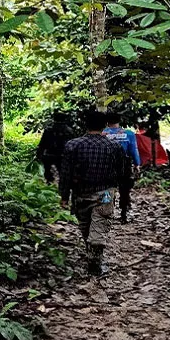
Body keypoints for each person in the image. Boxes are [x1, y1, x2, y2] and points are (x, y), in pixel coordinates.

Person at [59, 110, 125, 275]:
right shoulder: (114, 146)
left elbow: (65, 173)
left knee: (85, 226)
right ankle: (95, 260)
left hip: (81, 193)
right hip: (105, 193)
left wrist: (64, 196)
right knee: (99, 225)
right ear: (104, 126)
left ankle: (94, 259)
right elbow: (121, 172)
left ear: (85, 124)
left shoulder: (73, 145)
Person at [102, 112, 141, 223]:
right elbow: (134, 150)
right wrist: (137, 164)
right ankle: (124, 214)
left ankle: (108, 213)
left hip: (107, 165)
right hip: (124, 165)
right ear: (120, 121)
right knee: (124, 190)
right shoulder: (128, 133)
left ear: (107, 121)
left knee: (107, 189)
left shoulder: (102, 133)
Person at [37, 112, 77, 184]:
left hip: (50, 155)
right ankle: (62, 186)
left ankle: (49, 183)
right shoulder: (69, 130)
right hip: (63, 156)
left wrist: (39, 154)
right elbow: (73, 145)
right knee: (63, 174)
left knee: (48, 172)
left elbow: (42, 144)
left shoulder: (49, 129)